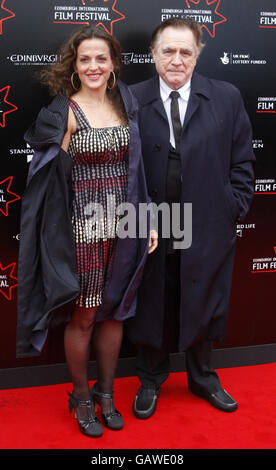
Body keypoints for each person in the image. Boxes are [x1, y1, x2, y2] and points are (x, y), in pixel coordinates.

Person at [16, 26, 157, 437]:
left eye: (101, 58)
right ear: (74, 66)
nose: (93, 66)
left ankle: (106, 393)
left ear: (113, 64)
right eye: (85, 59)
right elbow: (44, 183)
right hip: (85, 230)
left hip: (126, 224)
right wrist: (52, 234)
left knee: (117, 313)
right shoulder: (63, 113)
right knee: (87, 315)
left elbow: (139, 169)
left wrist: (145, 218)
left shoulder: (125, 102)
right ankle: (80, 397)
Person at [126, 18, 255, 418]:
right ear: (153, 54)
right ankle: (150, 380)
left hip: (208, 221)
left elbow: (243, 159)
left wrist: (233, 205)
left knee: (203, 294)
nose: (177, 59)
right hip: (150, 221)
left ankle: (203, 378)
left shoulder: (227, 96)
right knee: (152, 298)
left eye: (186, 51)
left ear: (197, 55)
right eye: (168, 51)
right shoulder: (131, 98)